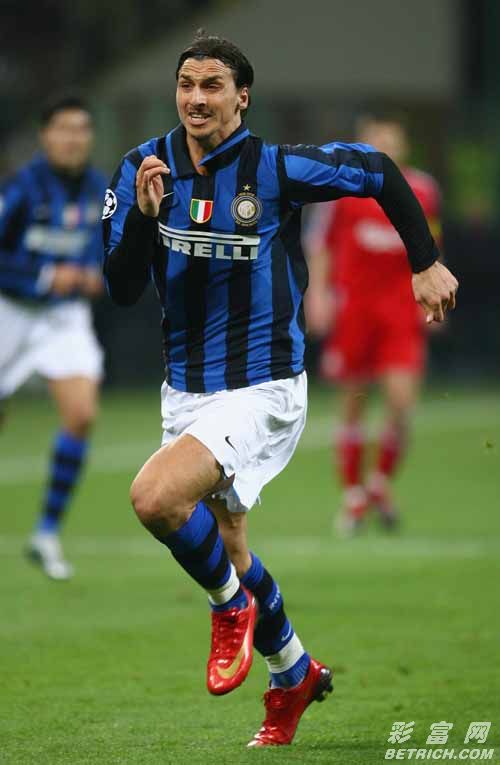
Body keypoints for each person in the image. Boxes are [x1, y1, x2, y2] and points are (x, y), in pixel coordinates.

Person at [103, 32, 458, 747]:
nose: (196, 98)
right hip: (187, 390)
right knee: (229, 544)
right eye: (186, 84)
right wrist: (142, 220)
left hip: (262, 386)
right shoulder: (145, 166)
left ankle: (229, 607)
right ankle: (293, 671)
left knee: (155, 498)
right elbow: (122, 287)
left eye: (212, 85)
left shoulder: (275, 168)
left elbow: (379, 171)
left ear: (242, 98)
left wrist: (424, 262)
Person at [305, 114, 442, 534]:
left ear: (403, 146)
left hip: (400, 311)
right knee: (354, 401)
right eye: (376, 141)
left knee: (401, 402)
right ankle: (353, 494)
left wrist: (436, 294)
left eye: (391, 141)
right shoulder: (341, 191)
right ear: (362, 145)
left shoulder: (423, 191)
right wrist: (317, 295)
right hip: (355, 310)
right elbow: (320, 247)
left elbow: (432, 243)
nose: (385, 147)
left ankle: (378, 483)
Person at [0, 95, 106, 580]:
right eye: (63, 129)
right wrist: (45, 276)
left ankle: (46, 533)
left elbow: (106, 251)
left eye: (81, 129)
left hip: (64, 317)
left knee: (82, 414)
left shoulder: (99, 190)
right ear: (45, 136)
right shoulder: (21, 188)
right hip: (11, 312)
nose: (73, 138)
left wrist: (97, 275)